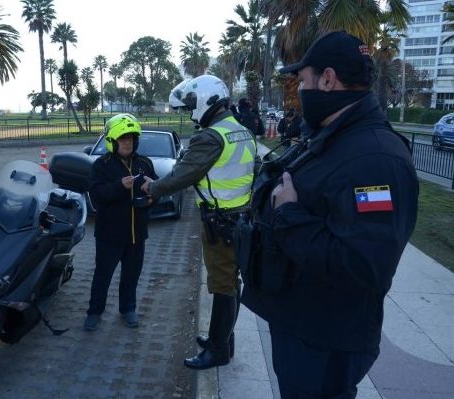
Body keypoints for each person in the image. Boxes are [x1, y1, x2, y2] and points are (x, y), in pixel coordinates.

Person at [241, 31, 419, 398]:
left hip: (326, 340)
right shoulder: (333, 137)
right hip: (304, 324)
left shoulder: (375, 159)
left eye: (303, 81)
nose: (301, 91)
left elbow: (363, 264)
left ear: (327, 79)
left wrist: (288, 213)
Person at [142, 75, 257, 370]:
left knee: (222, 285)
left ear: (208, 100)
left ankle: (218, 350)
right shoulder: (240, 130)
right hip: (241, 217)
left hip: (220, 222)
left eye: (192, 104)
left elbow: (183, 174)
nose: (191, 111)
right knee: (231, 282)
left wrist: (152, 188)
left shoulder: (210, 136)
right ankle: (224, 340)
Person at [83, 113, 158, 331]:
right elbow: (96, 195)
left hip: (137, 234)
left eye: (131, 138)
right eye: (123, 138)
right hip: (109, 234)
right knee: (102, 276)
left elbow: (156, 193)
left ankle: (128, 309)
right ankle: (94, 312)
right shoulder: (102, 165)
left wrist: (154, 193)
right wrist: (119, 187)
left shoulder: (144, 163)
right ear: (113, 141)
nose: (128, 142)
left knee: (131, 275)